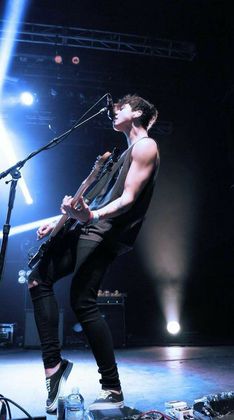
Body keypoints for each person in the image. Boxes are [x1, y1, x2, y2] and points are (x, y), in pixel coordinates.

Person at [28, 93, 160, 413]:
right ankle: (54, 368)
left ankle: (112, 388)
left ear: (138, 113)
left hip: (105, 232)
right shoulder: (117, 155)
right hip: (88, 228)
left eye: (122, 108)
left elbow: (127, 199)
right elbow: (84, 200)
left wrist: (93, 217)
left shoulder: (146, 147)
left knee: (81, 300)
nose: (114, 112)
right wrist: (56, 224)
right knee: (37, 279)